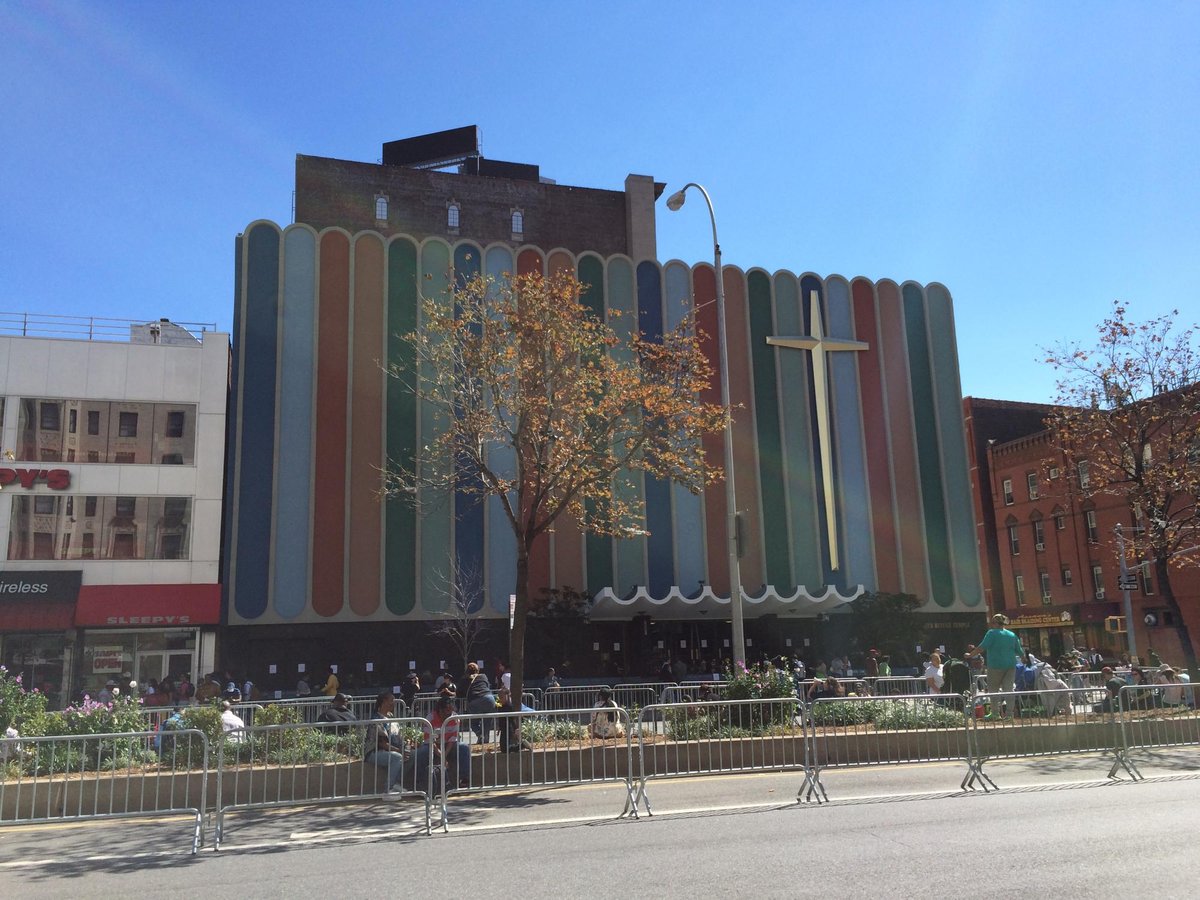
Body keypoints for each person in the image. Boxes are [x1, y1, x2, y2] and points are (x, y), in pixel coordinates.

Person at [415, 696, 471, 792]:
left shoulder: (454, 718)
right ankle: (419, 782)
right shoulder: (430, 718)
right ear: (440, 710)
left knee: (464, 748)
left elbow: (453, 739)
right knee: (421, 752)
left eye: (451, 710)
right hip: (433, 745)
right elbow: (429, 740)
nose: (449, 714)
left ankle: (464, 779)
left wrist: (444, 755)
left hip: (448, 745)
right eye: (447, 710)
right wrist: (441, 756)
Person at [976, 614, 1024, 718]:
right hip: (1010, 665)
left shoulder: (992, 633)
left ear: (996, 623)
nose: (991, 625)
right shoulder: (1012, 635)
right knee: (1009, 689)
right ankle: (1009, 714)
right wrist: (1024, 659)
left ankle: (995, 713)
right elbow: (1020, 651)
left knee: (993, 690)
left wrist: (970, 654)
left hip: (995, 666)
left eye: (992, 623)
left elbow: (982, 647)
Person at [363, 692, 407, 795]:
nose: (393, 703)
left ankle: (397, 783)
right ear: (383, 702)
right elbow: (382, 744)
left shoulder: (391, 717)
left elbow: (398, 736)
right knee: (397, 757)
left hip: (392, 749)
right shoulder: (376, 719)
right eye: (391, 700)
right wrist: (399, 751)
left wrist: (407, 746)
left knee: (413, 755)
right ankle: (388, 789)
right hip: (374, 752)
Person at [461, 662, 495, 743]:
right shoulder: (483, 676)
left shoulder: (465, 679)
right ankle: (485, 739)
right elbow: (487, 686)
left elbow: (459, 693)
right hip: (489, 698)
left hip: (475, 700)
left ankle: (480, 734)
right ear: (478, 670)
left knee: (473, 721)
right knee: (487, 721)